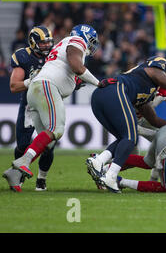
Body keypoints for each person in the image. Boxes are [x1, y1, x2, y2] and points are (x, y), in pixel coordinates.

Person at [8, 24, 105, 185]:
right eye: (91, 40)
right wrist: (98, 83)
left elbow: (66, 73)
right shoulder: (76, 40)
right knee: (56, 130)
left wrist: (75, 82)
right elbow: (76, 67)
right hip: (44, 88)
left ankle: (15, 174)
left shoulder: (60, 48)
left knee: (48, 142)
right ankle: (23, 161)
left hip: (37, 91)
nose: (92, 45)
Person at [85, 56, 166, 193]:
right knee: (131, 138)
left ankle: (99, 161)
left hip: (100, 97)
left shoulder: (145, 90)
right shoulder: (152, 71)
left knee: (124, 138)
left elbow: (154, 120)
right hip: (114, 90)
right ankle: (110, 176)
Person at [3, 26, 55, 192]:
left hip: (49, 104)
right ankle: (17, 176)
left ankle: (41, 179)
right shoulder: (23, 56)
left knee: (49, 145)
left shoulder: (55, 56)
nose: (47, 46)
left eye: (49, 42)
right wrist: (30, 81)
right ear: (33, 43)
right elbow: (13, 86)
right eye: (43, 43)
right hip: (30, 105)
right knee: (23, 145)